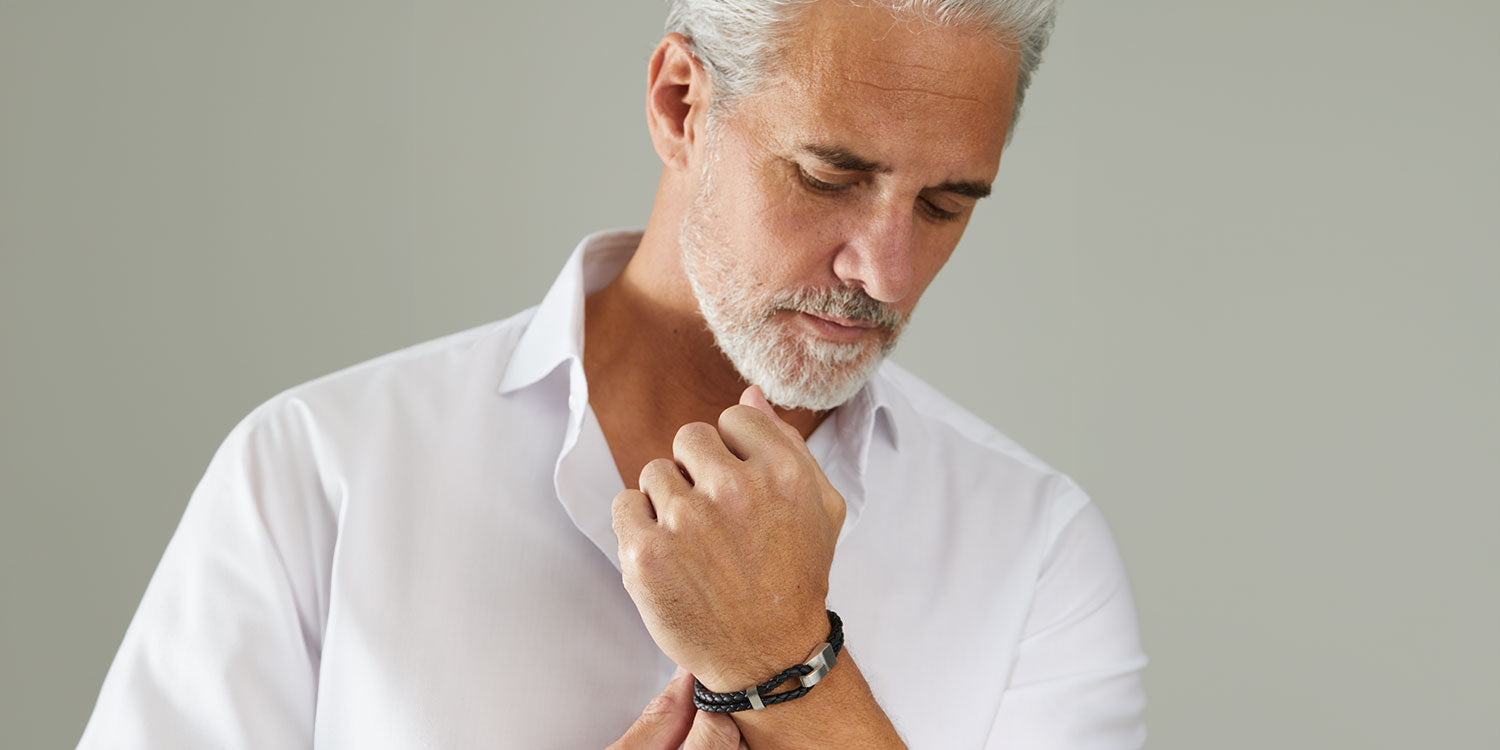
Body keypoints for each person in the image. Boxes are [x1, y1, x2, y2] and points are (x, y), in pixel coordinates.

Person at [79, 0, 1147, 748]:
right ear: (683, 102)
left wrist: (784, 660)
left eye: (946, 204)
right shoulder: (321, 473)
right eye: (830, 176)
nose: (887, 268)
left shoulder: (1037, 554)